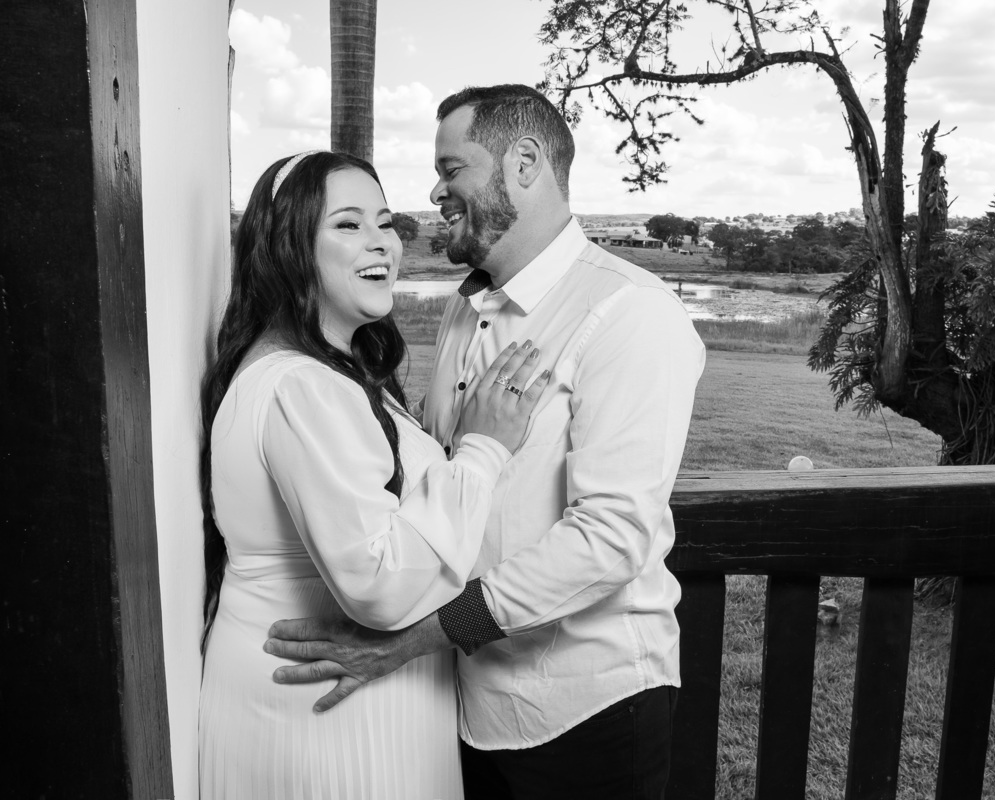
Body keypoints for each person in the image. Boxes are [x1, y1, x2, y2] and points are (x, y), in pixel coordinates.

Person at [266, 85, 706, 799]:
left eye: (451, 168)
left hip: (586, 711)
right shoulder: (466, 308)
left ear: (524, 163)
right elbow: (447, 476)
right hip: (467, 705)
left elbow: (611, 539)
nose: (436, 190)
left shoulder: (632, 314)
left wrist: (413, 639)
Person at [198, 150, 549, 799]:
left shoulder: (319, 369)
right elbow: (381, 584)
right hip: (330, 719)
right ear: (285, 246)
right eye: (348, 225)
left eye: (385, 223)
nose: (381, 244)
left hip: (330, 704)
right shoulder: (306, 390)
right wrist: (483, 449)